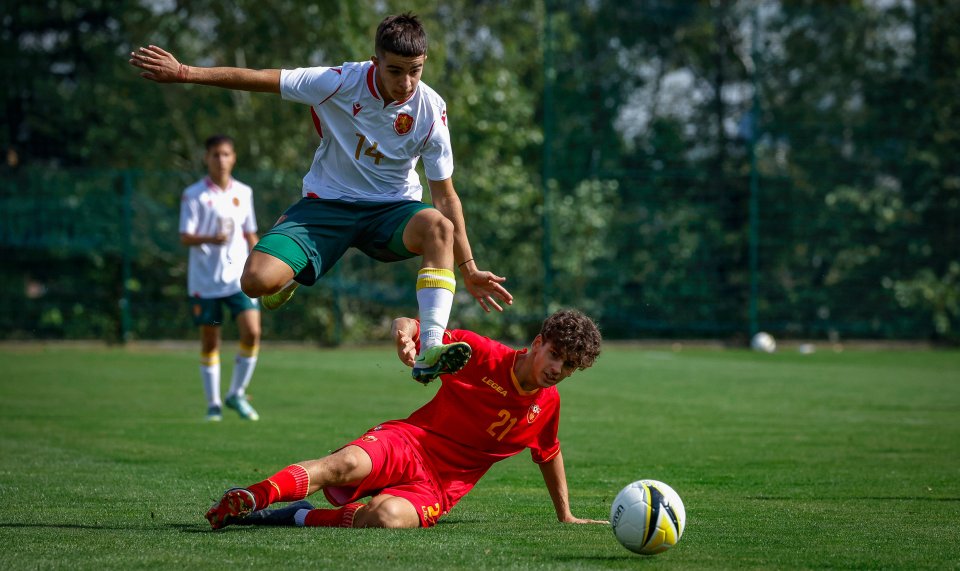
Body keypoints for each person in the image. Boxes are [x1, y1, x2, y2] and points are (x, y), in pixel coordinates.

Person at [130, 13, 513, 384]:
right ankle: (292, 272)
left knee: (438, 225)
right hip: (326, 207)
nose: (406, 82)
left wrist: (469, 268)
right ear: (375, 59)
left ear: (424, 62)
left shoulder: (431, 110)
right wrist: (185, 73)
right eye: (395, 70)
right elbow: (263, 78)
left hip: (392, 212)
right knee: (255, 282)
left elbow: (445, 197)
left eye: (415, 70)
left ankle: (430, 348)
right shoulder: (339, 81)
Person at [204, 310, 606, 529]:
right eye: (555, 355)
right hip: (411, 440)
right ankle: (251, 498)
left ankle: (299, 515)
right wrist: (404, 335)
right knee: (344, 464)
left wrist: (565, 514)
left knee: (388, 516)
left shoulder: (547, 405)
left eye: (569, 366)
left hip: (440, 487)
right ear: (538, 344)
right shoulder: (480, 352)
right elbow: (414, 325)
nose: (558, 369)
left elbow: (548, 453)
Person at [180, 135, 262, 422]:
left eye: (226, 154)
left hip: (238, 280)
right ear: (207, 158)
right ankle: (213, 403)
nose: (221, 159)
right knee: (211, 339)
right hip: (206, 283)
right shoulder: (195, 194)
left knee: (252, 331)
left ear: (234, 157)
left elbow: (251, 232)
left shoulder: (244, 192)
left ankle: (236, 393)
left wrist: (261, 262)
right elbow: (185, 236)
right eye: (215, 154)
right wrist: (210, 239)